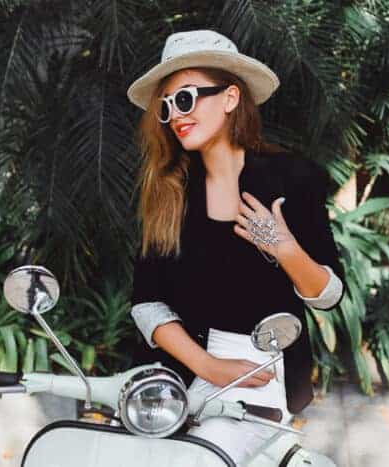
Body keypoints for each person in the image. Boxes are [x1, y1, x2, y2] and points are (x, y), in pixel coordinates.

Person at [125, 29, 346, 464]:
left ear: (229, 99)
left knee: (204, 458)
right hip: (180, 371)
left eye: (185, 99)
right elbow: (146, 302)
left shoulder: (292, 179)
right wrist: (208, 366)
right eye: (167, 106)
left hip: (262, 369)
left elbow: (330, 295)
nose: (175, 115)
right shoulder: (169, 189)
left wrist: (282, 247)